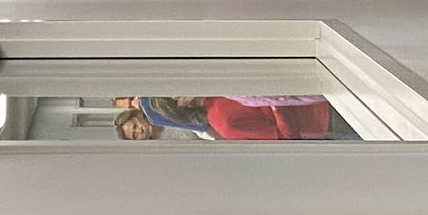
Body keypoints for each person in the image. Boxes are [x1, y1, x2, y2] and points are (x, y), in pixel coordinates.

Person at [114, 95, 334, 140]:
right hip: (325, 119)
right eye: (175, 96)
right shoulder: (222, 122)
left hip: (322, 94)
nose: (139, 132)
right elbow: (285, 137)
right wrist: (275, 101)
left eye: (134, 127)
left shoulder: (221, 89)